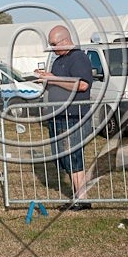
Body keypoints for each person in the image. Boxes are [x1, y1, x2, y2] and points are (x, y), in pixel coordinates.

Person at [35, 25, 94, 211]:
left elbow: (83, 85)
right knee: (63, 158)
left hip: (74, 116)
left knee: (74, 157)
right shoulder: (57, 60)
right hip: (58, 116)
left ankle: (82, 199)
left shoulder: (79, 57)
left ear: (65, 40)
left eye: (53, 44)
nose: (51, 47)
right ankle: (78, 196)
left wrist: (52, 78)